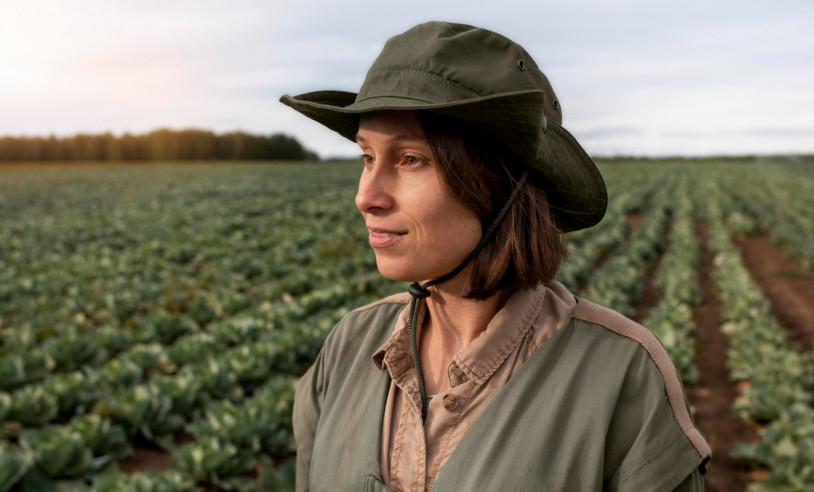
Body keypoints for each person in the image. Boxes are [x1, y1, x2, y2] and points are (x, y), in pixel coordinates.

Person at [280, 21, 710, 492]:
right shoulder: (347, 347)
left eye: (410, 159)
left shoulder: (623, 376)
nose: (367, 196)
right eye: (367, 157)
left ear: (495, 184)